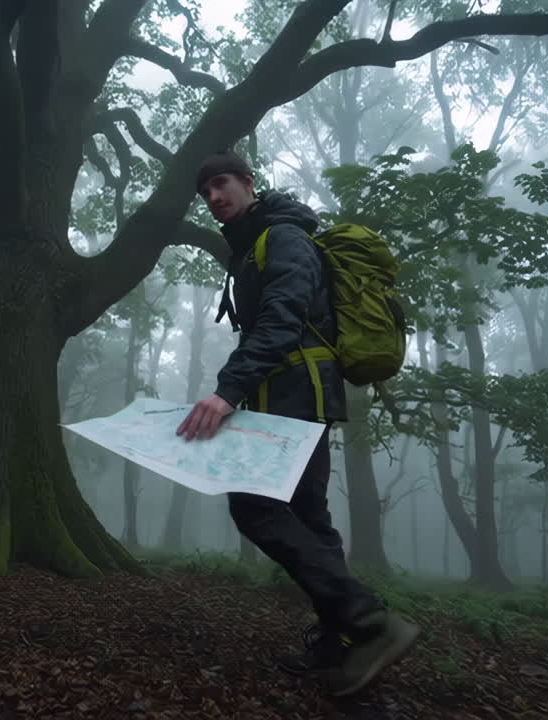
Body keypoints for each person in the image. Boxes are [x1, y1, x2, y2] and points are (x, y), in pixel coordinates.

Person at [175, 149, 420, 697]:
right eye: (206, 193)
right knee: (310, 519)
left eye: (221, 184)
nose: (214, 198)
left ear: (247, 181)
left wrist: (227, 391)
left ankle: (369, 621)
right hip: (295, 395)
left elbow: (284, 317)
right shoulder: (258, 243)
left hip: (294, 394)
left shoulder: (282, 238)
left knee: (254, 505)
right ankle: (341, 643)